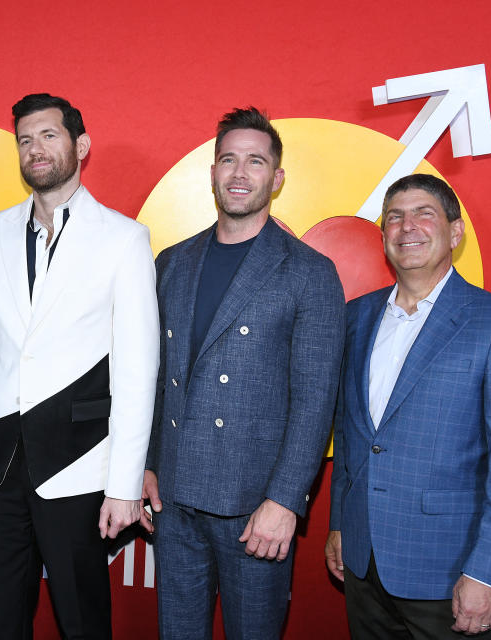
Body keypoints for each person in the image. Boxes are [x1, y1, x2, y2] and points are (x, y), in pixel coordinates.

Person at [0, 93, 159, 639]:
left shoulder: (124, 239)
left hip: (79, 460)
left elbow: (138, 372)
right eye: (25, 139)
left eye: (49, 135)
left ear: (80, 146)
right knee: (3, 617)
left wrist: (124, 484)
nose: (35, 148)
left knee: (82, 618)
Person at [143, 107, 346, 639]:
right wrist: (144, 464)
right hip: (175, 498)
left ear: (276, 178)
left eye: (255, 161)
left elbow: (315, 400)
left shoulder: (310, 271)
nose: (240, 172)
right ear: (211, 172)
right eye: (228, 159)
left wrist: (284, 501)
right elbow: (154, 376)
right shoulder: (172, 262)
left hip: (255, 509)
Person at [325, 174, 491, 639]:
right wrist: (342, 524)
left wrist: (486, 573)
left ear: (455, 232)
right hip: (364, 568)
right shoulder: (356, 316)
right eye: (395, 217)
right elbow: (350, 433)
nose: (408, 228)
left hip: (450, 572)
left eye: (424, 214)